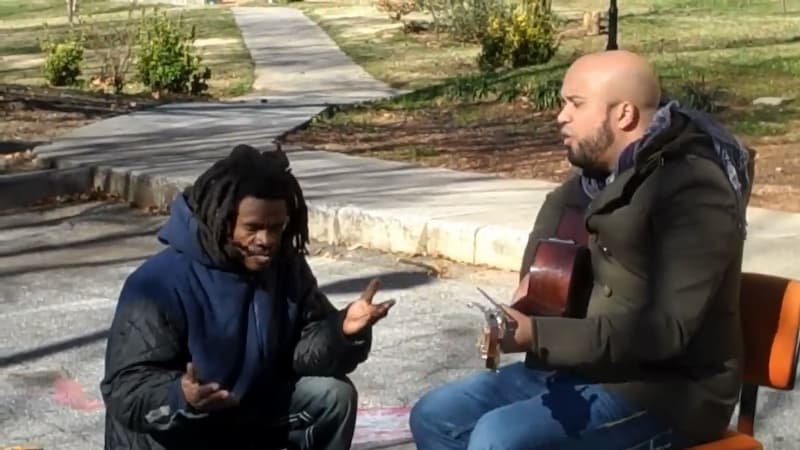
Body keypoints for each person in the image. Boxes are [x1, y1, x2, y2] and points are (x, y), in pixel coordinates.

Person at [409, 50, 754, 449]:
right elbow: (542, 286)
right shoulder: (584, 186)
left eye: (575, 104)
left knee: (500, 439)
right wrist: (520, 317)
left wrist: (538, 334)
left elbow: (665, 332)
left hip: (666, 391)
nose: (561, 116)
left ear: (623, 114)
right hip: (581, 368)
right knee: (435, 416)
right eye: (561, 103)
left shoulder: (692, 190)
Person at [100, 145, 396, 450]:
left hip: (242, 413)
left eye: (276, 227)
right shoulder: (158, 283)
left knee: (333, 396)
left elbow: (301, 352)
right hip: (177, 430)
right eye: (252, 228)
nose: (266, 241)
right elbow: (125, 389)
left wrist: (341, 331)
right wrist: (181, 397)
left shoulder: (285, 266)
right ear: (221, 219)